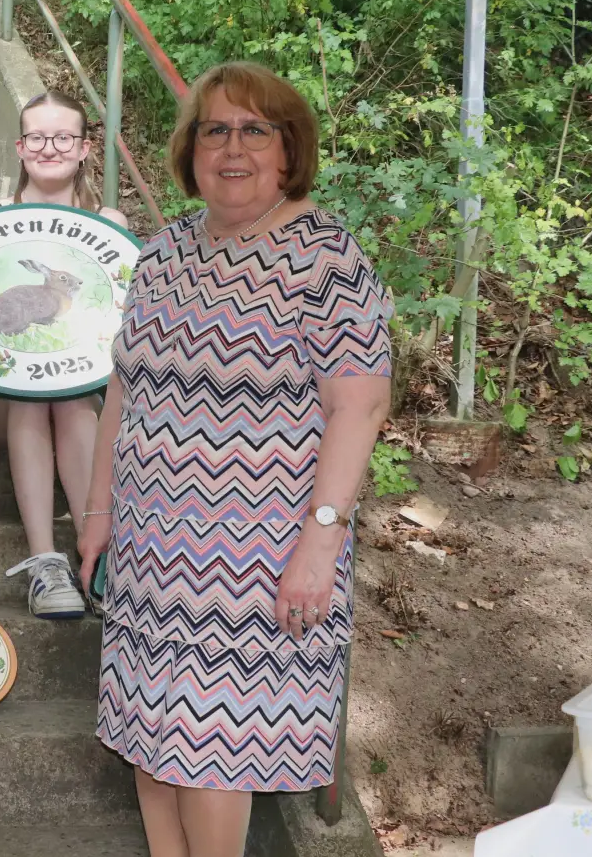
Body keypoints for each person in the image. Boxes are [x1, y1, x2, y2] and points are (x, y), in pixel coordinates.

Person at [77, 62, 391, 857]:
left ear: (291, 148)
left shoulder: (327, 258)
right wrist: (98, 511)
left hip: (258, 560)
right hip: (149, 553)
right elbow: (123, 391)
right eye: (214, 129)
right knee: (149, 740)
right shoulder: (162, 253)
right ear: (191, 148)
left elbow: (359, 406)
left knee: (210, 750)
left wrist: (319, 546)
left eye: (256, 130)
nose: (233, 147)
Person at [0, 91, 128, 621]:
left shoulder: (109, 224)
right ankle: (45, 563)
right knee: (32, 389)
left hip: (76, 395)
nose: (50, 147)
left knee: (68, 398)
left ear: (85, 148)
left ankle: (95, 554)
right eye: (37, 137)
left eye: (64, 137)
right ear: (20, 147)